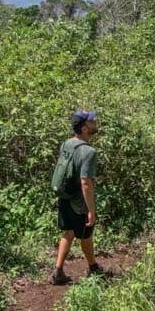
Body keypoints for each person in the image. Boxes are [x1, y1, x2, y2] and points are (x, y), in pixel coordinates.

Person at [50, 109, 107, 285]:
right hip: (79, 202)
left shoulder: (67, 143)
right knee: (86, 235)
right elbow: (86, 183)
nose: (95, 122)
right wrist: (91, 210)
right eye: (91, 121)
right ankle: (93, 267)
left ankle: (58, 271)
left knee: (69, 232)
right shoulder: (89, 152)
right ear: (84, 128)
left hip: (64, 196)